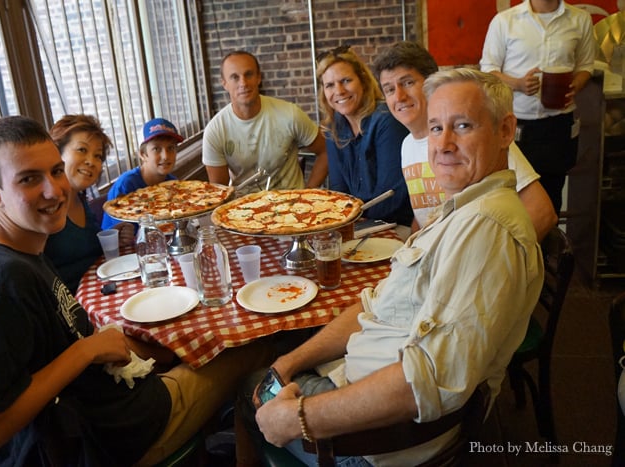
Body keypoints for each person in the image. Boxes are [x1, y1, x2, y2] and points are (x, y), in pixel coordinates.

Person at [236, 69, 544, 466]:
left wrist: (298, 417)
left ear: (505, 131)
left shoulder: (486, 227)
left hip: (379, 446)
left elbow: (427, 382)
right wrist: (290, 362)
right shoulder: (462, 209)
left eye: (463, 126)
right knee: (277, 359)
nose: (444, 144)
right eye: (435, 128)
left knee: (248, 387)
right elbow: (372, 307)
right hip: (362, 386)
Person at [0, 115, 270, 466]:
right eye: (30, 179)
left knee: (186, 349)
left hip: (120, 406)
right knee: (255, 350)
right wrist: (85, 352)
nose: (54, 190)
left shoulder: (27, 253)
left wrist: (125, 348)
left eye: (56, 171)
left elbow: (63, 343)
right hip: (119, 438)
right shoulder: (1, 283)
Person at [373, 41, 557, 240]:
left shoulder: (480, 139)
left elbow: (542, 213)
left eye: (408, 83)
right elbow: (425, 214)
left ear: (431, 84)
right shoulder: (406, 146)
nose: (399, 96)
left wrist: (493, 261)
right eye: (389, 89)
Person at [480, 0, 596, 214]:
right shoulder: (505, 21)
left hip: (559, 123)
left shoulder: (580, 19)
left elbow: (586, 66)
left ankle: (549, 246)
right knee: (511, 194)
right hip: (516, 125)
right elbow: (488, 69)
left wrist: (576, 85)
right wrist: (517, 84)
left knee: (552, 195)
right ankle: (517, 246)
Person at [316, 45, 414, 230]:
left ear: (362, 80)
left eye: (346, 81)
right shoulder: (332, 127)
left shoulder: (386, 120)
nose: (339, 91)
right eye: (329, 85)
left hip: (396, 224)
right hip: (357, 223)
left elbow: (391, 195)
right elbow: (339, 190)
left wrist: (352, 218)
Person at [202, 50, 328, 192]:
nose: (243, 83)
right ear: (224, 83)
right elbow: (219, 191)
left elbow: (326, 151)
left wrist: (308, 192)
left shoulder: (290, 114)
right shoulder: (215, 131)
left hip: (293, 205)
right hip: (242, 209)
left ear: (259, 78)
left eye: (248, 74)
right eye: (235, 77)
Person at [45, 114, 134, 293]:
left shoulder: (80, 197)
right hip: (69, 307)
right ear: (57, 152)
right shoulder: (46, 207)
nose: (91, 162)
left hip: (101, 290)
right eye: (81, 150)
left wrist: (112, 236)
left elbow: (82, 250)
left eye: (98, 156)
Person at [101, 117, 183, 229]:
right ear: (143, 154)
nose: (165, 156)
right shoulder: (126, 184)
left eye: (171, 148)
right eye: (156, 149)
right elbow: (123, 233)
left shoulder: (172, 182)